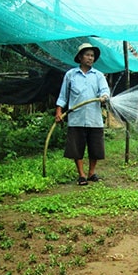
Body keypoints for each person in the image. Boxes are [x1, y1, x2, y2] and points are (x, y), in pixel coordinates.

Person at [55, 43, 110, 186]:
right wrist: (59, 111)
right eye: (87, 55)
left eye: (92, 56)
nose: (90, 58)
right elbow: (63, 96)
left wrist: (104, 96)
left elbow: (105, 90)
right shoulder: (70, 75)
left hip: (94, 118)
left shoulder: (98, 76)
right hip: (76, 117)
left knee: (95, 147)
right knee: (76, 148)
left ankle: (92, 173)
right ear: (80, 57)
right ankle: (81, 175)